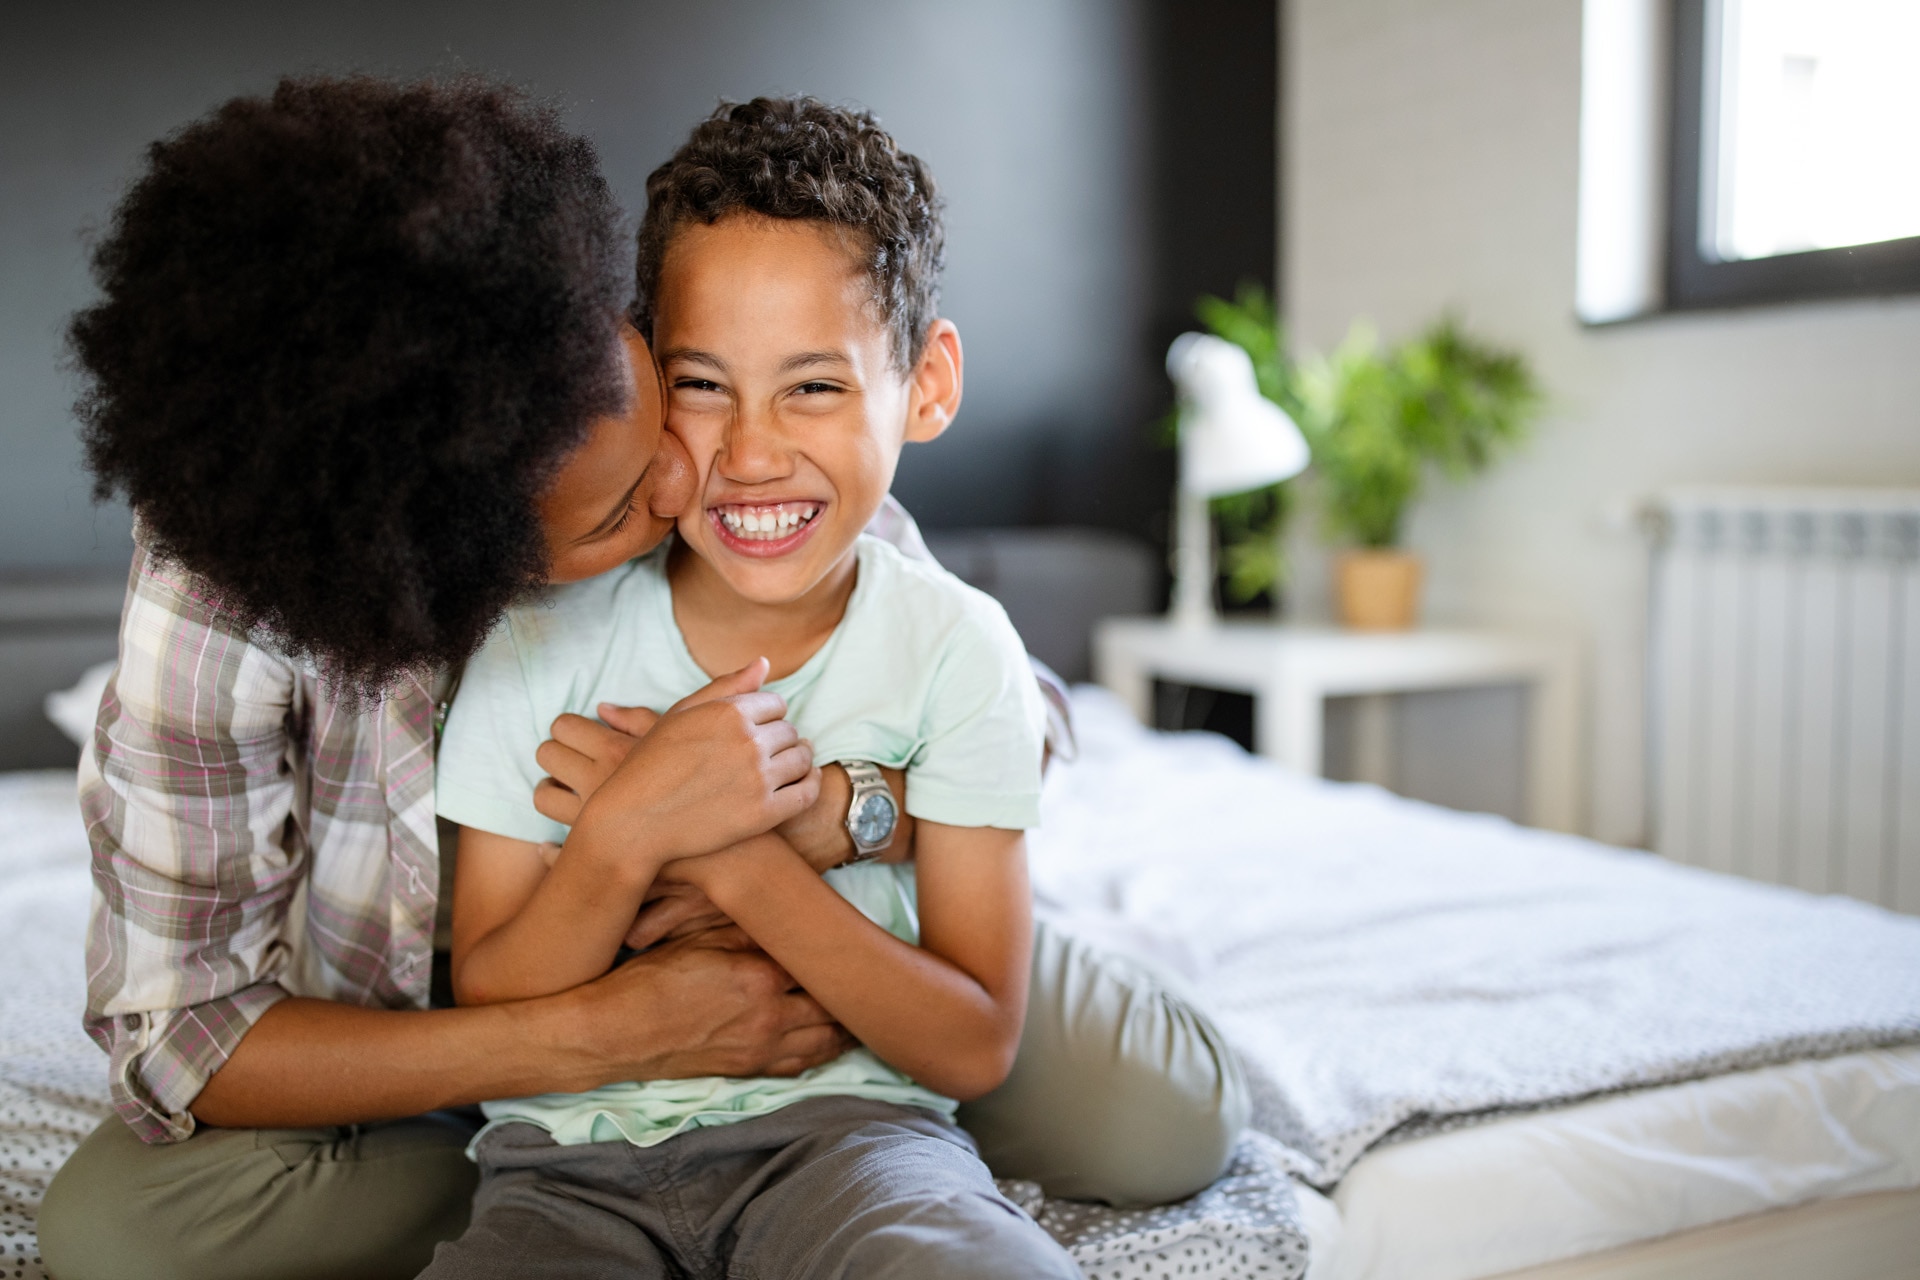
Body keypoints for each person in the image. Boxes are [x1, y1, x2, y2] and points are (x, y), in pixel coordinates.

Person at [37, 77, 1243, 1280]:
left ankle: (837, 1148)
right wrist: (595, 1036)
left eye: (652, 392)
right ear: (477, 562)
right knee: (118, 1235)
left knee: (1159, 1119)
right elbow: (183, 1036)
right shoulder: (247, 567)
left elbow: (1012, 713)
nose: (691, 482)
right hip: (457, 1014)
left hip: (833, 963)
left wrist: (830, 815)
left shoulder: (725, 434)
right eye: (622, 509)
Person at [424, 99, 1083, 1277]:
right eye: (703, 384)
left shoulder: (956, 644)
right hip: (562, 1164)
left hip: (856, 1142)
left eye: (815, 387)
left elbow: (976, 1041)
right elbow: (490, 988)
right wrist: (625, 831)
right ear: (633, 372)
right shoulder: (532, 639)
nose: (752, 452)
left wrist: (731, 853)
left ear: (925, 385)